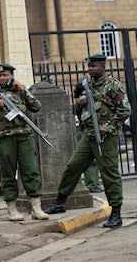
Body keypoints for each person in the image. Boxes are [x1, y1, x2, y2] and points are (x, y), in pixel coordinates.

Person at [45, 54, 131, 228]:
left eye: (93, 66)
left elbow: (125, 110)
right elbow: (79, 111)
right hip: (89, 135)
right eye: (89, 66)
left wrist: (108, 126)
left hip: (106, 137)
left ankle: (116, 213)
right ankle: (60, 202)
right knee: (73, 167)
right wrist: (81, 101)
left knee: (109, 174)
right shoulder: (87, 85)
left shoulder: (113, 85)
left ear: (102, 67)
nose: (90, 69)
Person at [0, 63, 49, 221]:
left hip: (24, 136)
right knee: (8, 174)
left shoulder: (20, 90)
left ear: (12, 76)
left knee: (31, 171)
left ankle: (36, 208)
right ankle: (12, 209)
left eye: (5, 75)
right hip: (4, 138)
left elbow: (36, 106)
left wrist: (24, 90)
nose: (2, 78)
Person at [73, 81, 103, 193]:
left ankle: (93, 183)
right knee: (91, 162)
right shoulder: (80, 101)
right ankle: (91, 185)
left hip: (92, 131)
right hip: (85, 131)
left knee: (96, 160)